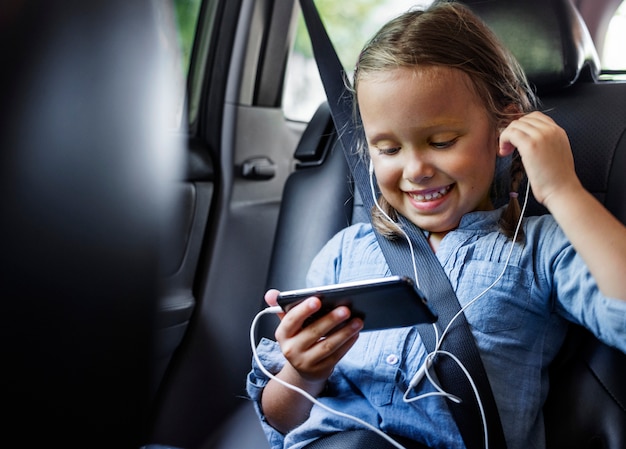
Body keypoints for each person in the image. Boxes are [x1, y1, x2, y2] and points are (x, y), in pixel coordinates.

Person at [247, 2, 626, 448]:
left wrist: (563, 190)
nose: (416, 169)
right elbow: (280, 419)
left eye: (442, 141)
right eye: (388, 150)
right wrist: (303, 371)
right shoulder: (344, 252)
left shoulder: (535, 249)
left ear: (504, 125)